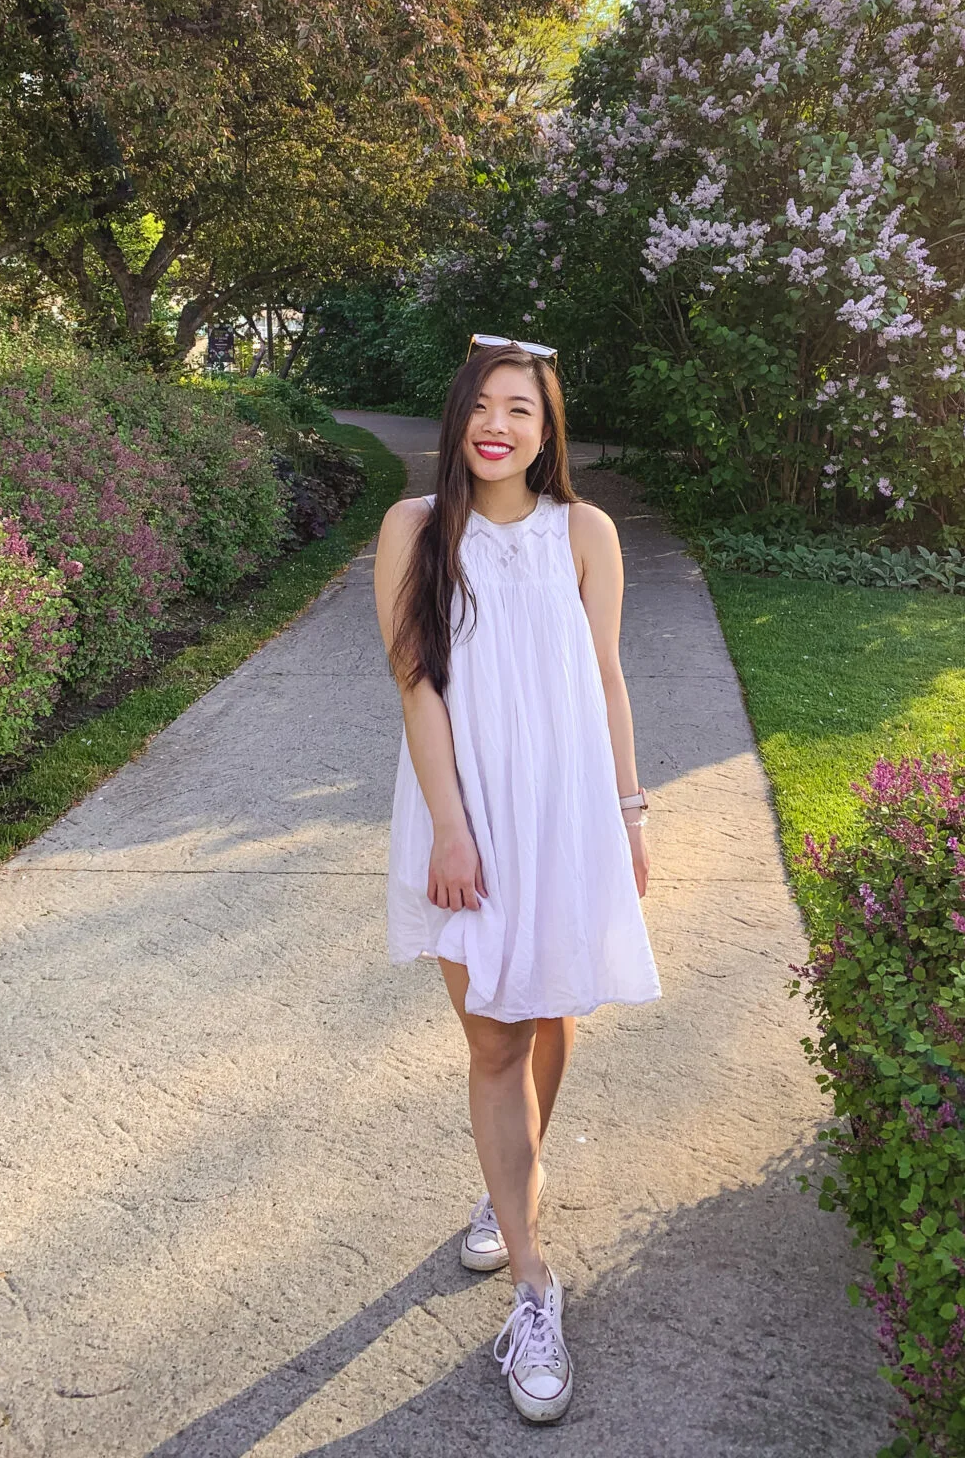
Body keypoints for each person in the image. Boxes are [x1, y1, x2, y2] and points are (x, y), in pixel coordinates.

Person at [372, 335, 661, 1425]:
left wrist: (629, 814)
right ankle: (535, 1281)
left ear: (548, 432)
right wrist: (452, 828)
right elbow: (418, 688)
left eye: (523, 411)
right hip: (468, 814)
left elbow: (606, 681)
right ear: (457, 418)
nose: (500, 425)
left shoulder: (584, 533)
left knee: (547, 1011)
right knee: (492, 1033)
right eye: (484, 406)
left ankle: (509, 1193)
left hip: (569, 811)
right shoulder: (415, 530)